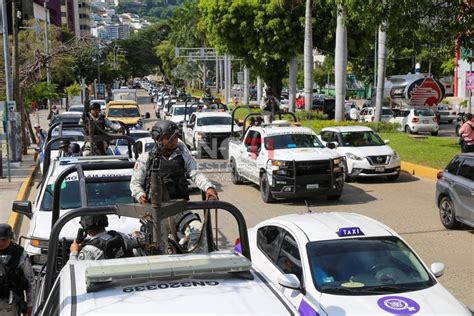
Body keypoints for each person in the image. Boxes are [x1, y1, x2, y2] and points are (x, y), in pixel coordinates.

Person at [130, 120, 218, 253]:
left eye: (176, 137)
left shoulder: (183, 156)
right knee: (159, 247)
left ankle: (194, 266)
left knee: (198, 231)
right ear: (158, 139)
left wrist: (208, 188)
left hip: (179, 208)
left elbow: (195, 173)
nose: (174, 140)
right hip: (156, 212)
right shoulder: (146, 159)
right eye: (169, 137)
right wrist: (141, 196)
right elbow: (135, 184)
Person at [70, 215, 144, 261]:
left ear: (85, 228)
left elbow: (74, 270)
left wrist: (74, 251)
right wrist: (135, 234)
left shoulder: (89, 250)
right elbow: (136, 241)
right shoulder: (119, 236)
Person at [0, 224, 35, 316]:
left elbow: (30, 280)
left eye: (4, 240)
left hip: (11, 303)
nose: (1, 243)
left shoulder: (20, 254)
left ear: (10, 238)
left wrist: (30, 304)